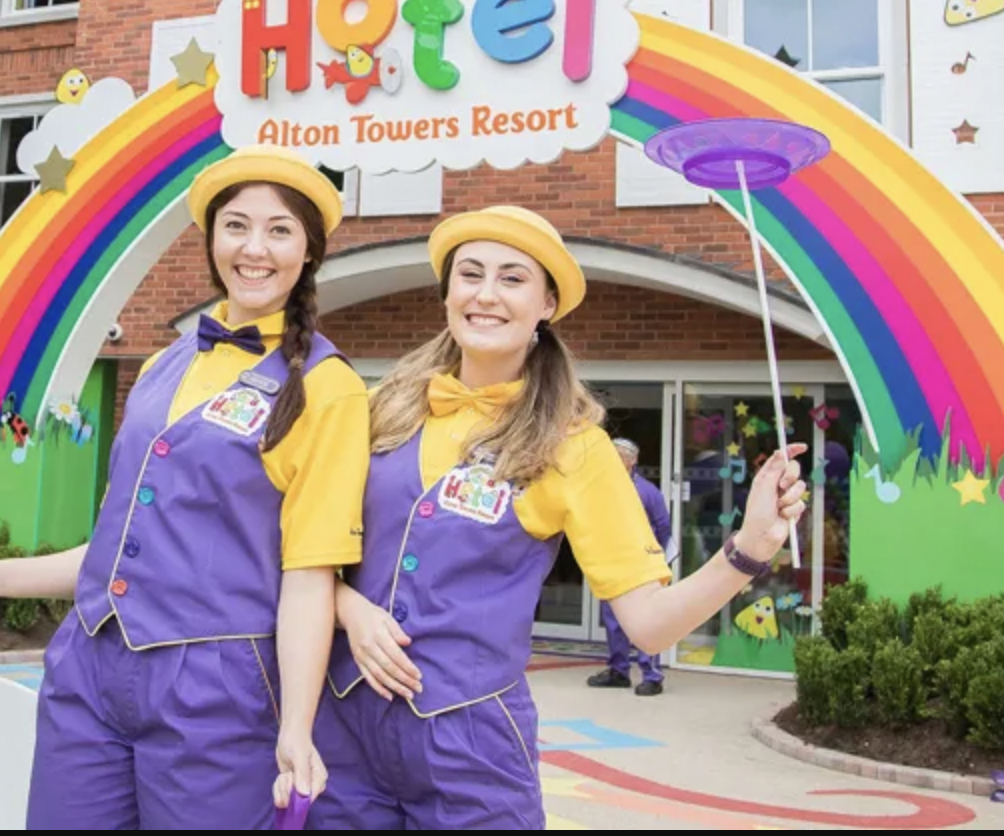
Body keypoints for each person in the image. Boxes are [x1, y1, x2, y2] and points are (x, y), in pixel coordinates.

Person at [0, 145, 371, 829]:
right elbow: (115, 551)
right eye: (236, 226)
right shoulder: (160, 367)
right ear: (211, 239)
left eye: (279, 230)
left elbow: (309, 576)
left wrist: (296, 726)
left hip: (217, 691)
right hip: (89, 671)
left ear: (309, 251)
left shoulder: (330, 389)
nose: (254, 248)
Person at [304, 206, 806, 830]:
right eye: (470, 274)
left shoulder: (577, 447)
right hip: (343, 731)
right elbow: (295, 545)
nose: (486, 294)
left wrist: (749, 547)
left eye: (512, 278)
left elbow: (649, 625)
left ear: (546, 304)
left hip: (470, 748)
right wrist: (348, 608)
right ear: (447, 293)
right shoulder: (376, 408)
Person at [587, 437, 673, 696]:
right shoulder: (601, 486)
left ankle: (652, 675)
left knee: (645, 621)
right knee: (613, 620)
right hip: (611, 563)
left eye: (618, 455)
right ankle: (618, 671)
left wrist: (652, 555)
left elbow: (663, 526)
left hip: (641, 565)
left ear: (632, 460)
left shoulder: (646, 491)